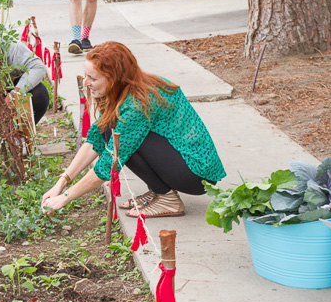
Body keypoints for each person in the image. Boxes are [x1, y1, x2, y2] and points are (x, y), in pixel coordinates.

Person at [41, 41, 226, 218]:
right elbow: (94, 141)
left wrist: (64, 198)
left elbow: (107, 165)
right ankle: (158, 191)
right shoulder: (125, 91)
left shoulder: (138, 105)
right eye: (86, 75)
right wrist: (61, 183)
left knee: (120, 139)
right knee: (109, 129)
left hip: (196, 173)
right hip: (181, 162)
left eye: (93, 78)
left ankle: (167, 198)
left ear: (114, 78)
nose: (86, 83)